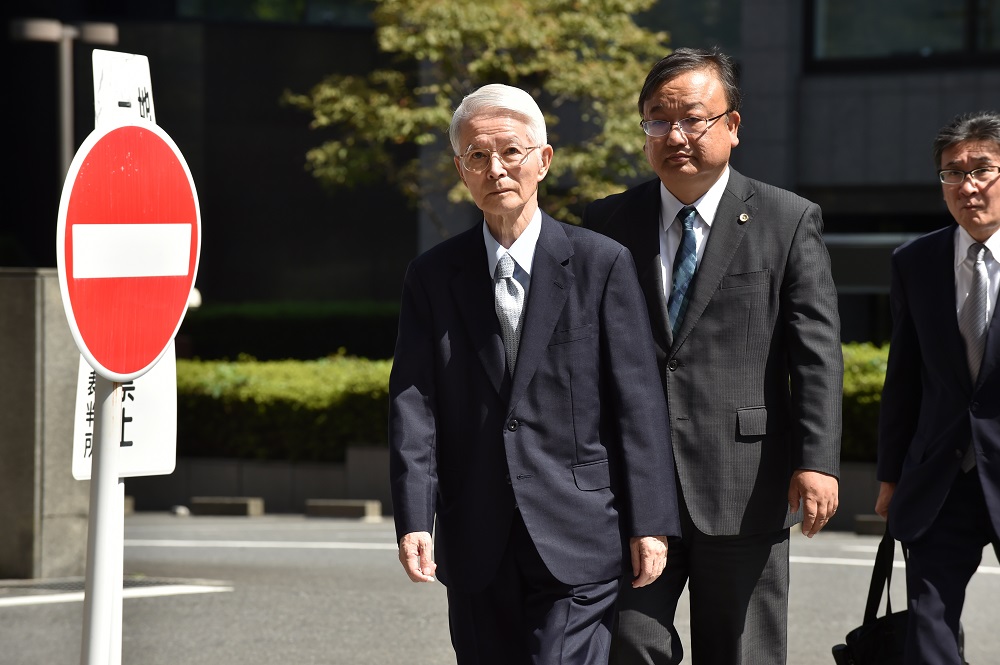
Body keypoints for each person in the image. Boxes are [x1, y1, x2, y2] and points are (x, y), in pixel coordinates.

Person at [388, 83, 681, 665]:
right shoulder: (433, 275)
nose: (495, 169)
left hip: (579, 529)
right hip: (476, 534)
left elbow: (637, 400)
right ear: (460, 170)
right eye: (477, 156)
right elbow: (414, 404)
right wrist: (415, 517)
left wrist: (651, 521)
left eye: (511, 152)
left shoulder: (601, 263)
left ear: (543, 161)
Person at [583, 48, 843, 665]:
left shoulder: (786, 218)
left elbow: (816, 352)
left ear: (731, 124)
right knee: (628, 640)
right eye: (656, 120)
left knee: (743, 652)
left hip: (743, 478)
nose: (674, 135)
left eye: (692, 119)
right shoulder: (606, 222)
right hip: (634, 484)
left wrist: (817, 460)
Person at [876, 110, 1000, 664]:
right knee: (928, 626)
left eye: (982, 170)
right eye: (953, 173)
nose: (967, 186)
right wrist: (889, 474)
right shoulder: (915, 261)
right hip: (940, 477)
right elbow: (902, 377)